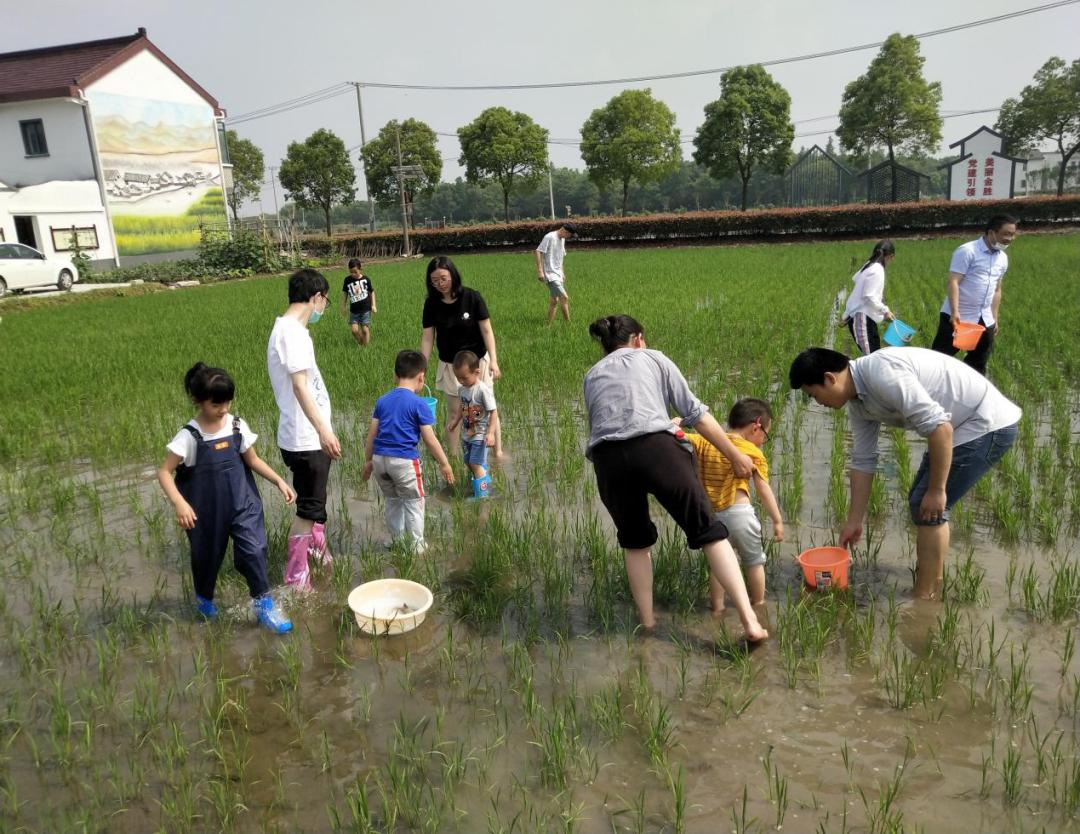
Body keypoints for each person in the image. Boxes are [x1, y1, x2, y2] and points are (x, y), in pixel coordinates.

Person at [584, 314, 768, 641]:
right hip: (655, 448)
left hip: (607, 459)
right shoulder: (653, 357)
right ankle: (750, 621)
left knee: (635, 543)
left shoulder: (592, 374)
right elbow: (697, 415)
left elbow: (603, 424)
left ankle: (648, 625)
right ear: (638, 339)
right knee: (709, 532)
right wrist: (734, 455)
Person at [789, 346, 1021, 600]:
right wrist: (854, 521)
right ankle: (930, 580)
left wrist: (937, 491)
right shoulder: (858, 403)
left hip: (985, 423)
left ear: (830, 378)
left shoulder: (881, 374)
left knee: (929, 506)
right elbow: (864, 460)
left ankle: (926, 594)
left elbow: (940, 428)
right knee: (921, 503)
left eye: (814, 395)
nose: (819, 403)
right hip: (959, 427)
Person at [156, 363, 296, 633]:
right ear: (198, 401)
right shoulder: (189, 436)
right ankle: (204, 600)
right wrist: (180, 503)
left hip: (243, 503)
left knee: (255, 550)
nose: (223, 409)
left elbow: (252, 460)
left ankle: (264, 605)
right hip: (205, 511)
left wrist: (278, 480)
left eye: (227, 402)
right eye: (216, 404)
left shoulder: (236, 426)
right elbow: (164, 472)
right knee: (206, 558)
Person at [267, 268, 342, 591]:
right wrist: (324, 430)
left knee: (316, 502)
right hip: (306, 438)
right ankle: (296, 577)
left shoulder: (287, 329)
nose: (323, 307)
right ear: (316, 297)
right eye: (325, 300)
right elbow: (300, 387)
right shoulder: (293, 334)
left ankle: (317, 551)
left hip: (304, 436)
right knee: (308, 510)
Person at [683, 398, 784, 609]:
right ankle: (758, 604)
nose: (762, 442)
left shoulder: (705, 441)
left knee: (720, 565)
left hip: (713, 518)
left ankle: (717, 608)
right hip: (741, 516)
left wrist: (678, 422)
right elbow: (763, 490)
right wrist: (777, 520)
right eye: (765, 435)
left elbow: (677, 436)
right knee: (754, 562)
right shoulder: (752, 451)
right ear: (756, 427)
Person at [362, 350, 455, 552]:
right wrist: (444, 463)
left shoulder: (382, 401)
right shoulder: (418, 403)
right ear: (421, 377)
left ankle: (396, 540)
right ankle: (416, 545)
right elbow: (430, 439)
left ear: (395, 375)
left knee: (393, 501)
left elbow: (371, 435)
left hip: (379, 460)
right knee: (414, 502)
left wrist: (368, 461)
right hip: (404, 461)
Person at [420, 256, 502, 456]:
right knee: (455, 412)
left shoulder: (472, 297)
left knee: (488, 408)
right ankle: (454, 456)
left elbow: (487, 330)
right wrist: (422, 367)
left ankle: (498, 453)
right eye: (435, 281)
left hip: (477, 364)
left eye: (443, 278)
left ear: (453, 275)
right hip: (451, 366)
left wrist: (494, 361)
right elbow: (428, 337)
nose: (440, 284)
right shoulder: (431, 303)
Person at [930, 214, 1018, 376]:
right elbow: (953, 281)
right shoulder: (967, 251)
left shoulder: (1003, 258)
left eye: (1013, 234)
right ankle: (930, 386)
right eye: (1006, 234)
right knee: (940, 359)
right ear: (991, 233)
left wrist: (994, 318)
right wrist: (955, 312)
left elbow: (997, 290)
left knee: (979, 361)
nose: (1010, 239)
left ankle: (970, 388)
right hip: (958, 317)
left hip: (985, 318)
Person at [448, 350, 497, 498]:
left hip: (480, 435)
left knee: (475, 464)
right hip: (467, 434)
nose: (461, 381)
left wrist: (490, 433)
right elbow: (461, 407)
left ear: (477, 372)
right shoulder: (462, 389)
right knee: (469, 462)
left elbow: (493, 412)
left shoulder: (482, 390)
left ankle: (482, 495)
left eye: (464, 377)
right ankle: (483, 480)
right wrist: (455, 421)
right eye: (458, 378)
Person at [842, 240, 896, 355]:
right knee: (871, 357)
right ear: (890, 257)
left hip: (865, 318)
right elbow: (869, 295)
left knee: (875, 354)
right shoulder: (877, 270)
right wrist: (885, 311)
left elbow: (856, 279)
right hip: (862, 318)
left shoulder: (869, 265)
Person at [535, 223, 577, 325]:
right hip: (550, 274)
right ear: (564, 231)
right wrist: (540, 271)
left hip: (558, 274)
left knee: (554, 300)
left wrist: (562, 272)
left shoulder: (562, 239)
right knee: (565, 297)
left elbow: (560, 257)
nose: (569, 237)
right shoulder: (549, 237)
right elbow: (538, 251)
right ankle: (568, 323)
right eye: (569, 235)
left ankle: (549, 325)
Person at [342, 258, 377, 346]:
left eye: (355, 272)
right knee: (354, 330)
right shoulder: (347, 280)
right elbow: (345, 293)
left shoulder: (366, 279)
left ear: (360, 269)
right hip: (354, 310)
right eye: (351, 272)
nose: (353, 274)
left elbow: (372, 292)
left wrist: (373, 305)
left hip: (366, 309)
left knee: (365, 330)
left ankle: (366, 347)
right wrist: (343, 306)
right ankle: (362, 343)